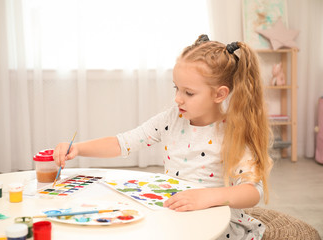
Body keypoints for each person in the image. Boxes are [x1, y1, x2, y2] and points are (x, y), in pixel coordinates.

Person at [53, 34, 273, 240]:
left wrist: (207, 197)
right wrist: (79, 148)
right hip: (175, 211)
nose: (178, 99)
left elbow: (252, 192)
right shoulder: (171, 119)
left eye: (189, 92)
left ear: (219, 94)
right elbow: (124, 143)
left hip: (215, 221)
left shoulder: (234, 132)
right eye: (176, 88)